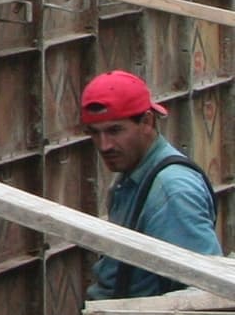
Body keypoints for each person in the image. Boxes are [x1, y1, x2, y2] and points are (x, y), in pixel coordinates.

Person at [80, 70, 225, 298]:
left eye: (115, 130)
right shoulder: (134, 175)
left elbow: (207, 290)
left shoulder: (171, 189)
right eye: (94, 133)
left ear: (147, 121)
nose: (104, 145)